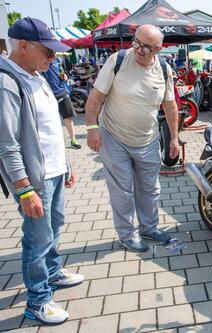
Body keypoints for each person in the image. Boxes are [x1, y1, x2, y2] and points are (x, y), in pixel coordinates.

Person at [0, 17, 83, 325]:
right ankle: (37, 299)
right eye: (48, 51)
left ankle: (52, 272)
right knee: (37, 238)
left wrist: (66, 164)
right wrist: (23, 189)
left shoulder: (36, 75)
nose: (53, 57)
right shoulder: (7, 82)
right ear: (23, 45)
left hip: (55, 170)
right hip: (35, 179)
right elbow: (7, 144)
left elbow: (48, 129)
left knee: (54, 226)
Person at [85, 25, 180, 252]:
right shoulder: (117, 61)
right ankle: (127, 235)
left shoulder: (164, 68)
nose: (138, 49)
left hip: (147, 140)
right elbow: (96, 98)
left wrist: (174, 138)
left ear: (158, 49)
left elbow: (170, 106)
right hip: (114, 138)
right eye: (135, 42)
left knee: (150, 189)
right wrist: (91, 128)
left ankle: (149, 228)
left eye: (146, 47)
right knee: (122, 191)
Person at [41, 58, 82, 149]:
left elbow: (61, 72)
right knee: (50, 120)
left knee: (68, 117)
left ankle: (73, 140)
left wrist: (65, 76)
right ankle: (53, 143)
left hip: (61, 92)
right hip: (49, 93)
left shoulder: (58, 60)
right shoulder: (43, 59)